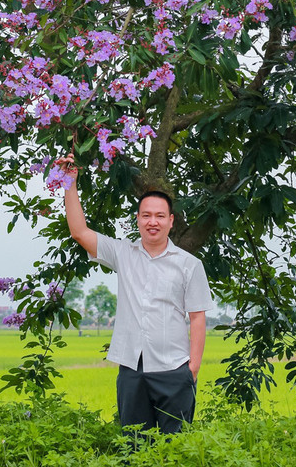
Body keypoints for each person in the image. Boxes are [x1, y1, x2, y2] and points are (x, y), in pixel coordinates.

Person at [56, 154, 211, 434]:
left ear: (171, 221)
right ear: (138, 219)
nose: (153, 222)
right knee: (134, 446)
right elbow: (79, 232)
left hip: (175, 369)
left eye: (160, 216)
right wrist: (70, 182)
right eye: (147, 215)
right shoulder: (123, 254)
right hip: (132, 369)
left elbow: (197, 318)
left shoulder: (189, 265)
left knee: (177, 448)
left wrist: (192, 370)